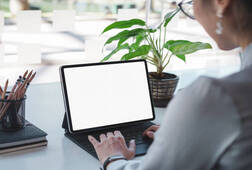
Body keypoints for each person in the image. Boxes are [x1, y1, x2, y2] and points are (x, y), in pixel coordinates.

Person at [88, 0, 252, 169]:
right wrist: (185, 135)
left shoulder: (216, 96)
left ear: (221, 3)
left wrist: (112, 159)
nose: (194, 12)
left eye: (191, 2)